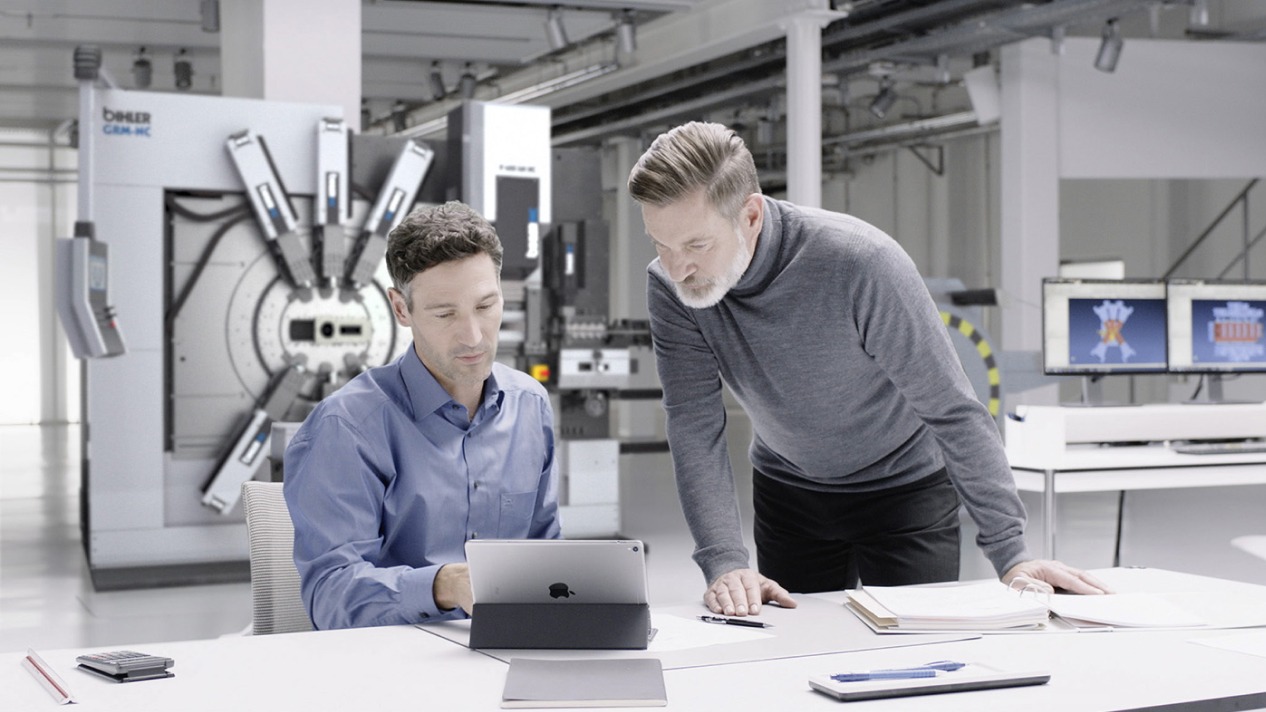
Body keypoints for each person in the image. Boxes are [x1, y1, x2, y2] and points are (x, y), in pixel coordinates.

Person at [627, 121, 1106, 618]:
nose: (677, 268)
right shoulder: (671, 286)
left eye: (696, 246)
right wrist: (724, 561)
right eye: (661, 244)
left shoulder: (860, 264)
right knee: (797, 650)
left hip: (906, 490)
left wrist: (1011, 554)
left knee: (916, 652)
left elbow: (951, 408)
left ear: (750, 215)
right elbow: (694, 422)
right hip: (789, 493)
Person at [283, 201, 561, 630]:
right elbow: (331, 597)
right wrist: (442, 586)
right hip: (394, 660)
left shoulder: (530, 405)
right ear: (401, 309)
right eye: (445, 314)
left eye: (485, 306)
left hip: (510, 649)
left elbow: (548, 558)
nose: (473, 336)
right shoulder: (347, 428)